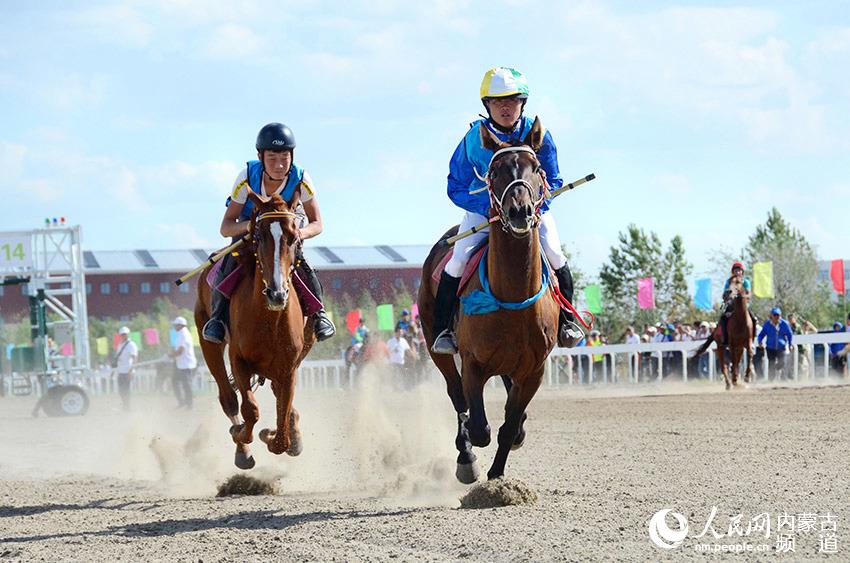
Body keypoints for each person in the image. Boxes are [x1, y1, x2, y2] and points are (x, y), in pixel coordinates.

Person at [431, 66, 581, 354]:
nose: (505, 108)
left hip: (531, 210)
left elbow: (554, 179)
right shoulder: (473, 139)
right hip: (484, 211)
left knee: (555, 254)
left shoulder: (539, 133)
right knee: (457, 262)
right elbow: (455, 185)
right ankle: (443, 330)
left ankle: (568, 322)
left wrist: (538, 205)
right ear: (487, 105)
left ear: (522, 103)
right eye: (498, 102)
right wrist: (487, 208)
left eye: (512, 100)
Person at [202, 122, 335, 344]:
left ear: (292, 156)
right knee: (231, 259)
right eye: (272, 158)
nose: (279, 165)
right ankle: (217, 318)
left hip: (287, 230)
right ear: (260, 157)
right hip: (251, 225)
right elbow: (226, 227)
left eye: (284, 157)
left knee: (301, 261)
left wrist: (299, 234)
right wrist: (249, 227)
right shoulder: (246, 178)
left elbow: (317, 223)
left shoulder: (302, 179)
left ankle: (319, 315)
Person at [717, 261, 758, 347]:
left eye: (739, 270)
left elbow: (749, 294)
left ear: (742, 272)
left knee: (754, 319)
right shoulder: (728, 282)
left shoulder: (745, 282)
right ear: (733, 272)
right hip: (732, 305)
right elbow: (724, 294)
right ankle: (726, 340)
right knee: (723, 318)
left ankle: (752, 339)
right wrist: (727, 296)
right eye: (735, 270)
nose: (737, 272)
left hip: (744, 306)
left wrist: (742, 297)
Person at [757, 307, 793, 380]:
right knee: (771, 363)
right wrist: (760, 341)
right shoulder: (767, 324)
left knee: (782, 362)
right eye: (775, 315)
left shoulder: (784, 324)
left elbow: (789, 334)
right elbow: (761, 335)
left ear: (780, 315)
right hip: (770, 348)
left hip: (781, 347)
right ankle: (771, 381)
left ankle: (776, 370)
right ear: (771, 315)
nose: (776, 317)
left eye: (778, 315)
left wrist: (790, 344)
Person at [169, 317, 197, 409]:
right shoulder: (180, 334)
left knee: (186, 385)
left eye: (176, 325)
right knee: (175, 381)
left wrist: (171, 355)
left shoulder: (184, 335)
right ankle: (182, 401)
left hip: (186, 364)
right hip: (181, 364)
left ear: (180, 325)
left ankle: (189, 404)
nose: (174, 327)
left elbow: (181, 350)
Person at [113, 326, 138, 411]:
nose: (123, 336)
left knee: (126, 390)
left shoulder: (131, 345)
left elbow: (134, 358)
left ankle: (127, 407)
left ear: (128, 334)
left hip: (128, 371)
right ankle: (125, 405)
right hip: (121, 370)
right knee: (121, 390)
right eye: (122, 334)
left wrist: (132, 369)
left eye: (125, 334)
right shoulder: (120, 345)